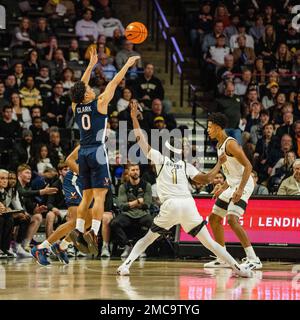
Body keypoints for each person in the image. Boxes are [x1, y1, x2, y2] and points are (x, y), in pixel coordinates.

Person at [117, 102, 252, 278]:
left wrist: (134, 117)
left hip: (171, 205)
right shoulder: (185, 165)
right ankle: (239, 268)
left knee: (147, 239)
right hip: (189, 205)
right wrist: (219, 163)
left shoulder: (159, 159)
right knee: (210, 243)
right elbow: (207, 179)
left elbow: (140, 140)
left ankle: (125, 266)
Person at [69, 48, 140, 255]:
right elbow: (115, 82)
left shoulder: (75, 105)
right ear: (86, 95)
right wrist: (127, 65)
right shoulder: (100, 103)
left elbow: (80, 86)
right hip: (98, 152)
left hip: (83, 152)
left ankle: (79, 230)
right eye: (89, 89)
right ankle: (95, 232)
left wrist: (91, 66)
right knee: (100, 196)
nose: (91, 89)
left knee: (86, 196)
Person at [205, 113, 262, 270]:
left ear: (217, 128)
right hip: (232, 185)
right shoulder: (219, 145)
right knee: (214, 218)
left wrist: (240, 189)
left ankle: (254, 258)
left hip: (244, 184)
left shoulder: (230, 144)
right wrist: (222, 187)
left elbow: (248, 166)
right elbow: (229, 171)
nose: (208, 130)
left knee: (231, 219)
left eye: (210, 127)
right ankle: (222, 257)